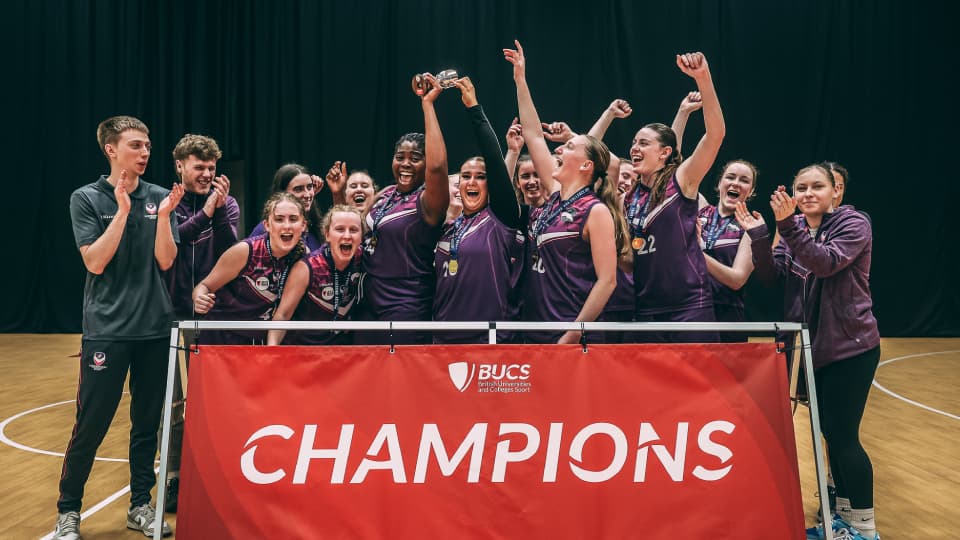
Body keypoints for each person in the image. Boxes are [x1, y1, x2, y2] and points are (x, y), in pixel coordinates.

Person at [736, 164, 880, 540]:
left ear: (837, 191)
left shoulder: (854, 224)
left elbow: (825, 262)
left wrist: (787, 227)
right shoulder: (794, 231)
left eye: (818, 186)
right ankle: (842, 520)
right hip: (810, 349)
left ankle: (865, 529)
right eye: (801, 187)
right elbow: (771, 278)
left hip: (850, 346)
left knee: (843, 434)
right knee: (828, 432)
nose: (808, 193)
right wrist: (759, 235)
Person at [55, 115, 182, 539]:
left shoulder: (162, 197)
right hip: (107, 331)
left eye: (147, 145)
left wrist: (162, 217)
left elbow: (166, 260)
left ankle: (141, 507)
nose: (145, 152)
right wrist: (123, 211)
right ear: (111, 149)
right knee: (91, 424)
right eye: (135, 145)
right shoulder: (86, 198)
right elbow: (95, 261)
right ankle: (69, 510)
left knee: (146, 427)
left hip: (154, 330)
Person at [504, 40, 624, 344]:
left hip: (569, 339)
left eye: (569, 146)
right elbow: (532, 134)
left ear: (586, 165)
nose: (559, 147)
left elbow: (608, 281)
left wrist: (571, 335)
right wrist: (520, 79)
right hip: (535, 331)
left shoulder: (595, 211)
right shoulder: (556, 195)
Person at [622, 51, 726, 343]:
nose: (634, 148)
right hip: (646, 310)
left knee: (698, 389)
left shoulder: (682, 180)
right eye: (633, 143)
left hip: (689, 307)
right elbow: (631, 258)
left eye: (643, 143)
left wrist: (703, 79)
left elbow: (715, 134)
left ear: (665, 153)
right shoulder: (628, 198)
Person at [162, 133, 239, 512]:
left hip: (216, 315)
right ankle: (174, 479)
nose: (207, 174)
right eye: (199, 167)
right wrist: (206, 211)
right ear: (180, 166)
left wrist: (220, 210)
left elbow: (231, 252)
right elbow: (171, 247)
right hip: (173, 318)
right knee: (177, 405)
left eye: (212, 168)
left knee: (216, 403)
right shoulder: (166, 204)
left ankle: (219, 476)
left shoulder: (229, 204)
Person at [352, 73, 450, 345]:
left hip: (406, 305)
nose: (405, 164)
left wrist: (428, 106)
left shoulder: (428, 202)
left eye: (415, 158)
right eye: (400, 157)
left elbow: (438, 167)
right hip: (367, 304)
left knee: (402, 383)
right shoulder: (385, 196)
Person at [432, 76, 527, 344]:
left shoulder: (500, 218)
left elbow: (494, 160)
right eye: (466, 176)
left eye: (480, 176)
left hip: (490, 340)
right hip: (442, 341)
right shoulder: (447, 227)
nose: (472, 181)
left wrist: (474, 108)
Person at [192, 192, 308, 344]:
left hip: (258, 339)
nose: (286, 226)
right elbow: (204, 286)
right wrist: (199, 298)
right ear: (267, 225)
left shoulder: (302, 257)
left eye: (293, 219)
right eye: (279, 219)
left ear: (303, 225)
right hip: (221, 337)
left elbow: (284, 314)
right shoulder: (245, 251)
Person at [268, 205, 364, 345]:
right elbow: (282, 315)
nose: (347, 235)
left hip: (340, 352)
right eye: (339, 229)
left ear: (361, 236)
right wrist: (271, 352)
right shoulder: (307, 267)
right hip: (303, 351)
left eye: (354, 230)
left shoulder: (362, 258)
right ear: (327, 235)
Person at [697, 160, 758, 341]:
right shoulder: (700, 210)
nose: (736, 183)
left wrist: (697, 254)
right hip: (690, 307)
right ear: (719, 183)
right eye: (730, 177)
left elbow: (737, 279)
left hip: (726, 314)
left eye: (744, 180)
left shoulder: (752, 228)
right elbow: (677, 174)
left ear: (751, 191)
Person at [249, 163, 325, 251]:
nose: (307, 194)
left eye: (309, 187)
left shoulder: (313, 224)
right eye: (298, 189)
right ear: (282, 193)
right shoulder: (265, 229)